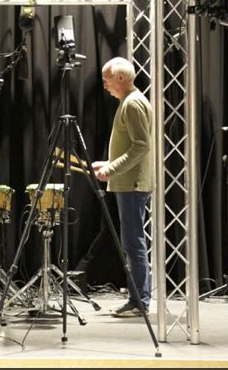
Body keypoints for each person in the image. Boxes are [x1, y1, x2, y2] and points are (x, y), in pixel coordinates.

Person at [92, 57, 154, 318]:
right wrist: (108, 163)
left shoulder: (133, 104)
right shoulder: (128, 102)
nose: (104, 84)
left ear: (120, 78)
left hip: (132, 184)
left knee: (133, 244)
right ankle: (136, 299)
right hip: (128, 182)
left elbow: (141, 145)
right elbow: (131, 145)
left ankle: (139, 302)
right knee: (132, 243)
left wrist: (111, 169)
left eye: (106, 79)